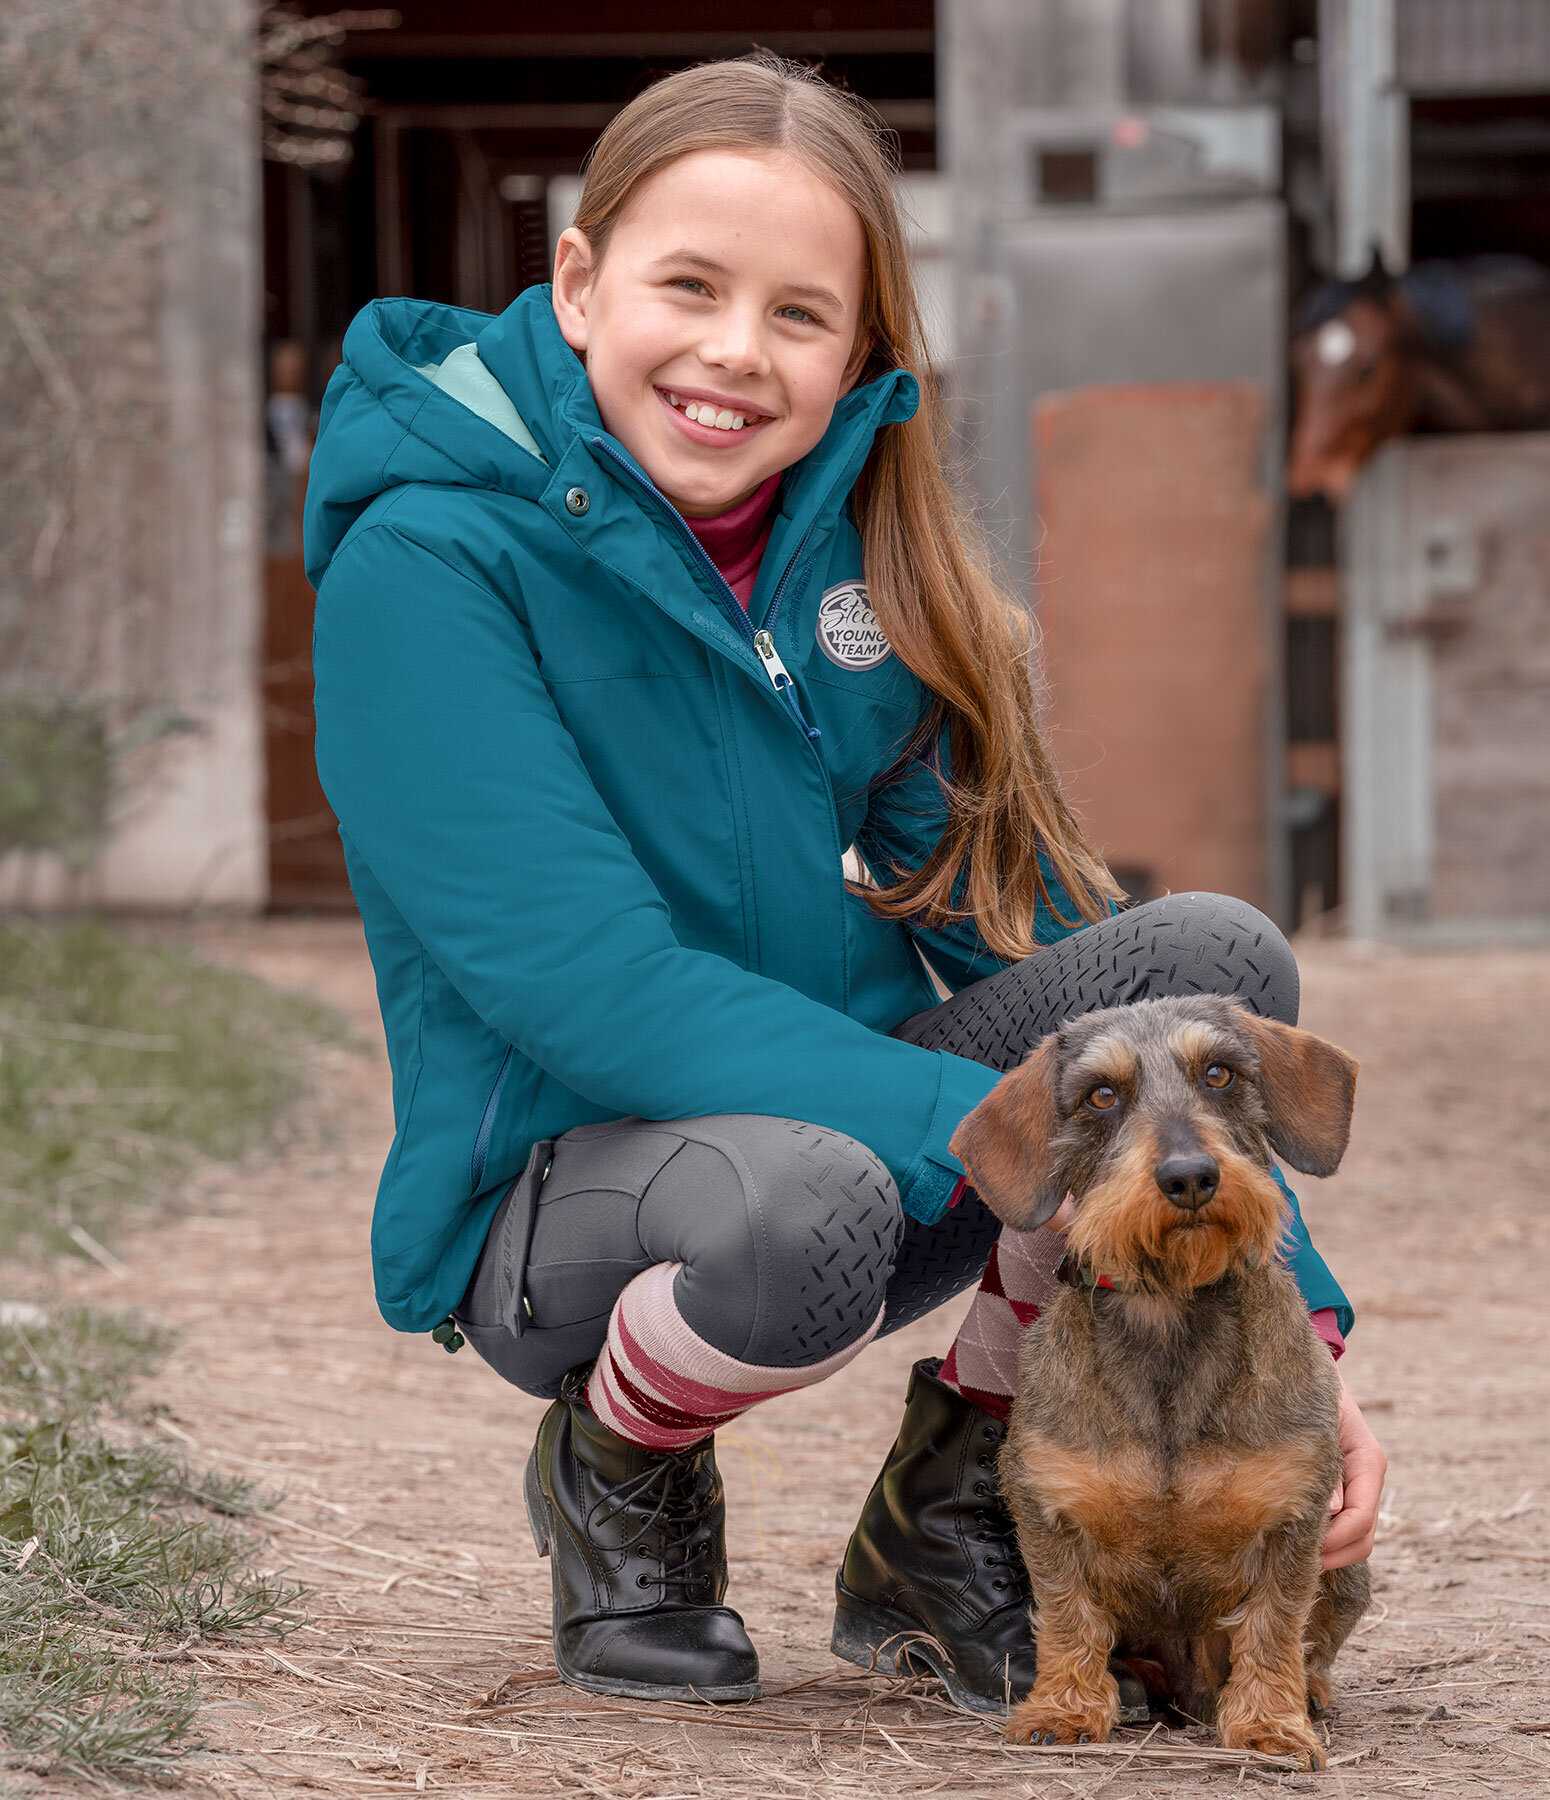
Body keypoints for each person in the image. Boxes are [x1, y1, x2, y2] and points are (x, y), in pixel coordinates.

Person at [305, 54, 1385, 1713]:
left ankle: (963, 1504)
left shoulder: (852, 562)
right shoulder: (425, 565)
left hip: (837, 1125)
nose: (737, 351)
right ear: (578, 283)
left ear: (863, 354)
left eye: (800, 315)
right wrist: (973, 1130)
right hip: (571, 1202)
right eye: (689, 286)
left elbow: (1013, 921)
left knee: (1199, 970)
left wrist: (1287, 1306)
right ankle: (622, 1460)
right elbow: (582, 983)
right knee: (812, 1201)